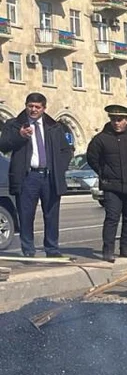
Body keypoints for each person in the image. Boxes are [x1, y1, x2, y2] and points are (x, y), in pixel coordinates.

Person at [0, 93, 74, 257]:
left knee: (51, 214)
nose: (33, 110)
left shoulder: (54, 127)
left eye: (37, 107)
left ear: (43, 108)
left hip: (50, 176)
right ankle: (28, 249)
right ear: (26, 106)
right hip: (27, 177)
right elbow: (3, 145)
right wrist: (19, 136)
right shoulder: (14, 124)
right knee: (26, 215)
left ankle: (52, 249)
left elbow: (66, 150)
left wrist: (59, 168)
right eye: (30, 106)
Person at [86, 104, 127, 263]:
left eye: (120, 119)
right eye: (113, 119)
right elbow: (92, 158)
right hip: (112, 186)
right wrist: (104, 173)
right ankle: (108, 251)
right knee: (112, 218)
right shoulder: (101, 139)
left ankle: (126, 248)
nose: (116, 122)